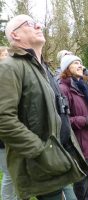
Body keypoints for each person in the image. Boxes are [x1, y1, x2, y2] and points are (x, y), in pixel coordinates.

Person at [0, 14, 88, 200]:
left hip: (62, 155)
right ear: (15, 35)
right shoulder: (10, 67)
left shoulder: (43, 69)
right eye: (30, 24)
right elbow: (3, 119)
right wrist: (41, 151)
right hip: (43, 164)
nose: (39, 25)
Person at [59, 55, 88, 200]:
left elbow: (86, 110)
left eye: (80, 63)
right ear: (66, 68)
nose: (80, 65)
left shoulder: (82, 86)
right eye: (75, 63)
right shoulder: (63, 88)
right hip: (77, 143)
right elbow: (62, 119)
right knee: (81, 182)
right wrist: (87, 120)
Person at [0, 46, 18, 200]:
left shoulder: (13, 75)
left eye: (8, 54)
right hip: (2, 138)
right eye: (4, 54)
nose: (7, 57)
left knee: (18, 173)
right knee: (9, 173)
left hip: (17, 134)